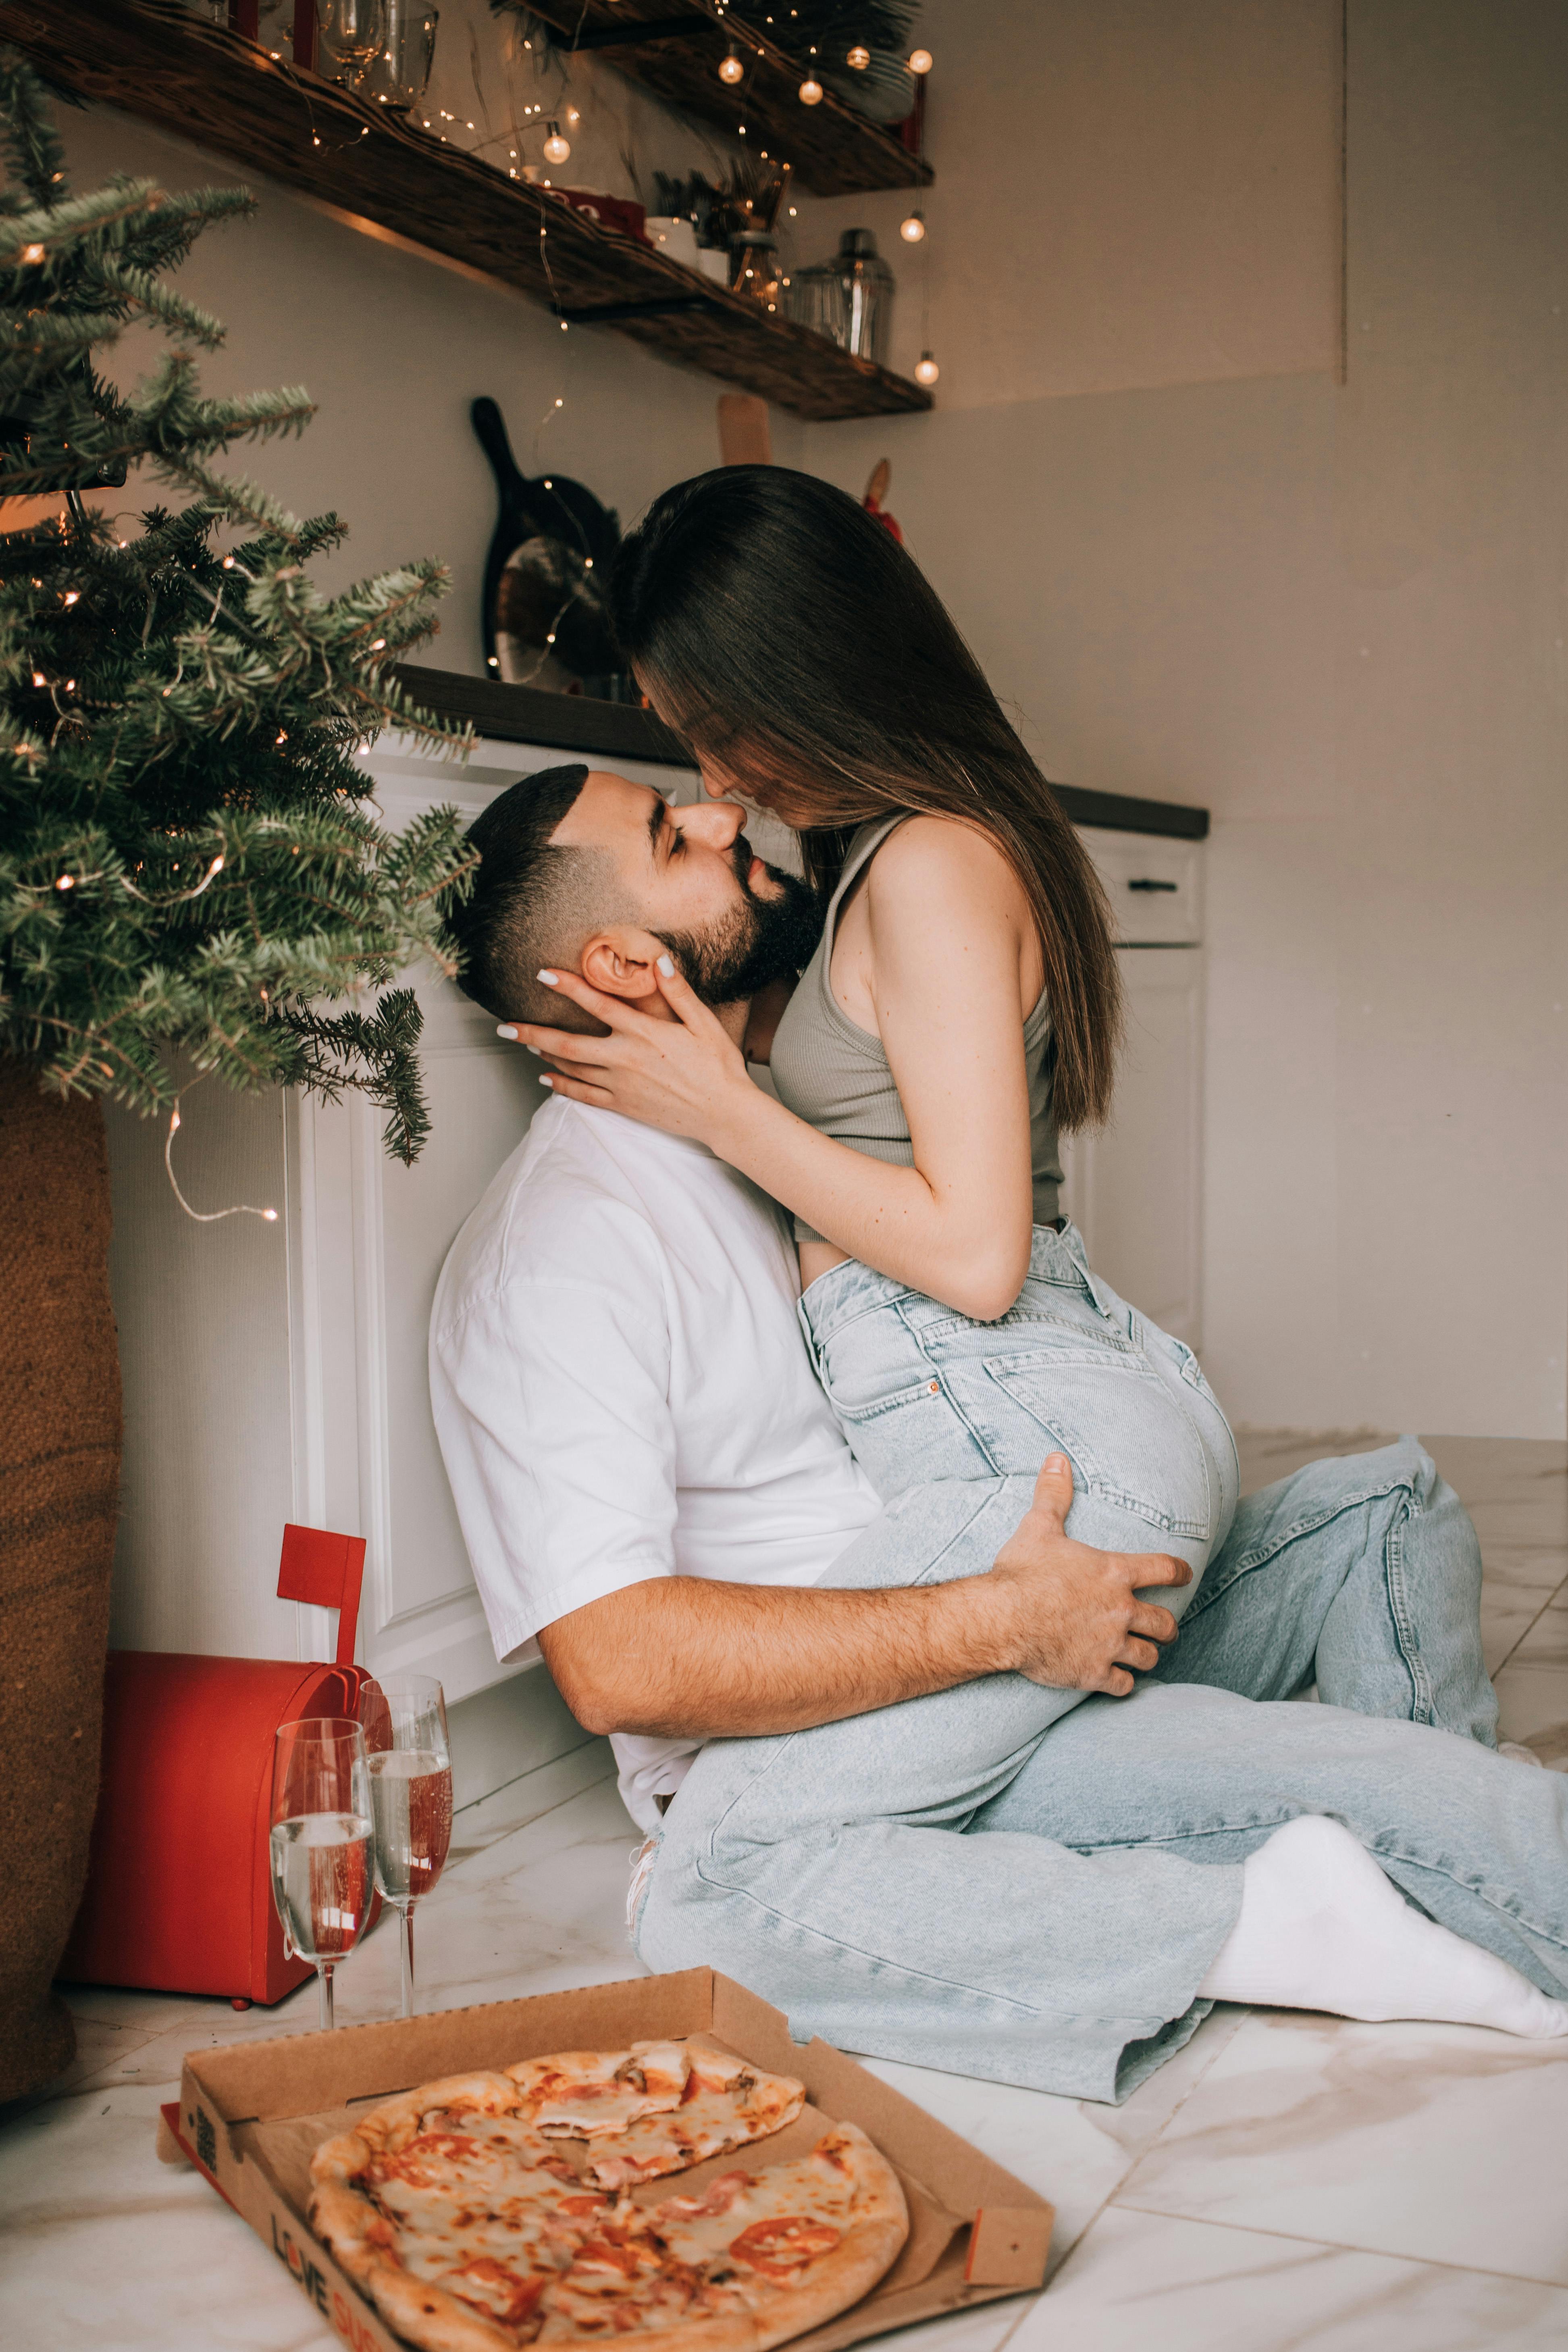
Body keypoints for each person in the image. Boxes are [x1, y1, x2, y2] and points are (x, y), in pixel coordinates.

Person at [433, 760, 1568, 2106]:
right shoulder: (561, 1252)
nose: (727, 815)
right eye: (675, 834)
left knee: (1382, 1507)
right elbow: (618, 1663)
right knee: (712, 1890)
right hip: (857, 1733)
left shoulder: (761, 1119)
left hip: (1009, 1595)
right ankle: (1287, 1909)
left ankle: (1425, 1872)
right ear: (620, 962)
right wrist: (1001, 1623)